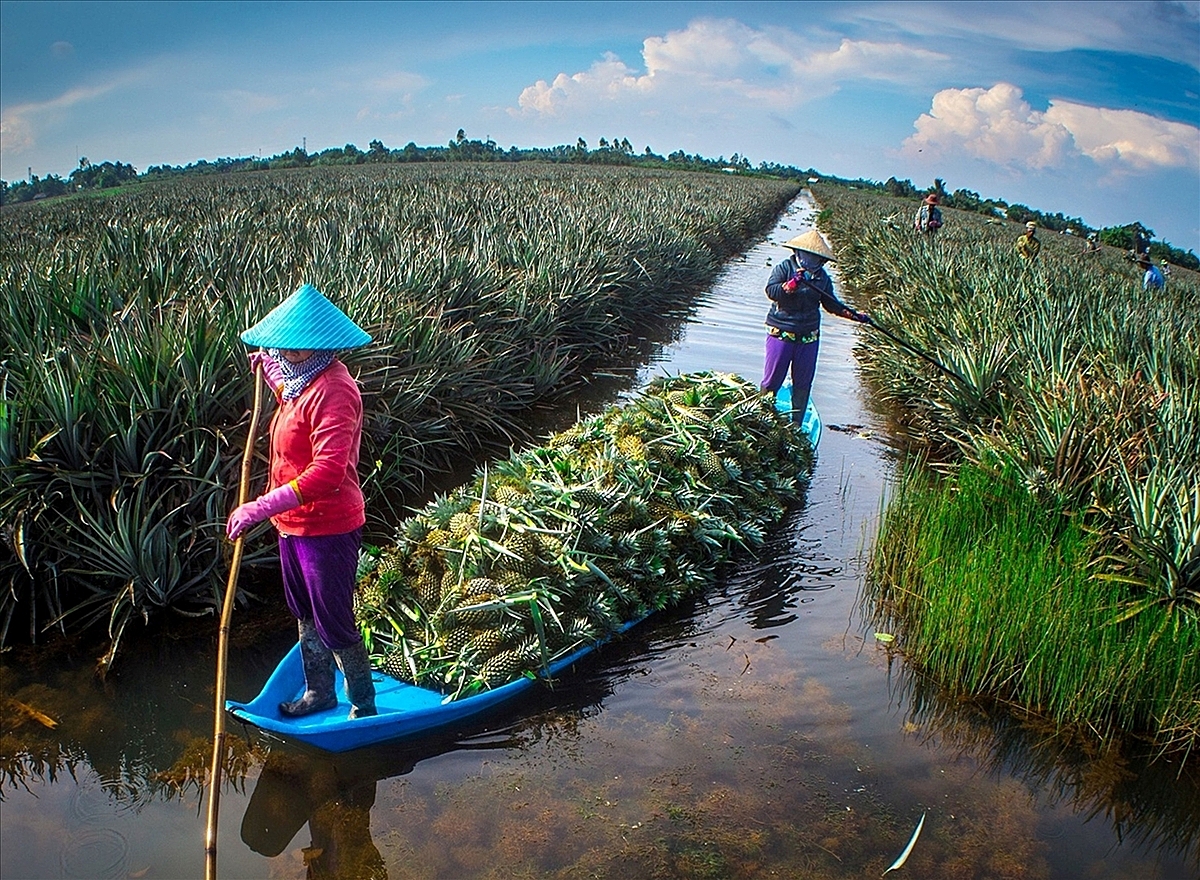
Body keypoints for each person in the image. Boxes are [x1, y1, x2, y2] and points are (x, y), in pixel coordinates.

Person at [226, 283, 377, 720]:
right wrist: (272, 371)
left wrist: (261, 505)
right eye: (282, 347)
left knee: (333, 618)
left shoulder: (335, 389)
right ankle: (320, 691)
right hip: (292, 524)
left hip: (328, 524)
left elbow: (329, 472)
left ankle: (363, 705)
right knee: (304, 610)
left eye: (294, 348)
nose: (285, 353)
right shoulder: (300, 380)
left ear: (319, 345)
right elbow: (293, 397)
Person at [762, 229, 870, 418]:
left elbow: (831, 304)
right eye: (808, 256)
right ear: (798, 253)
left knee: (803, 383)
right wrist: (789, 286)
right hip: (782, 331)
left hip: (808, 336)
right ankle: (762, 417)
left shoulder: (822, 278)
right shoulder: (785, 268)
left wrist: (854, 315)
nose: (811, 261)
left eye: (816, 259)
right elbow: (771, 291)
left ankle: (796, 425)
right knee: (772, 380)